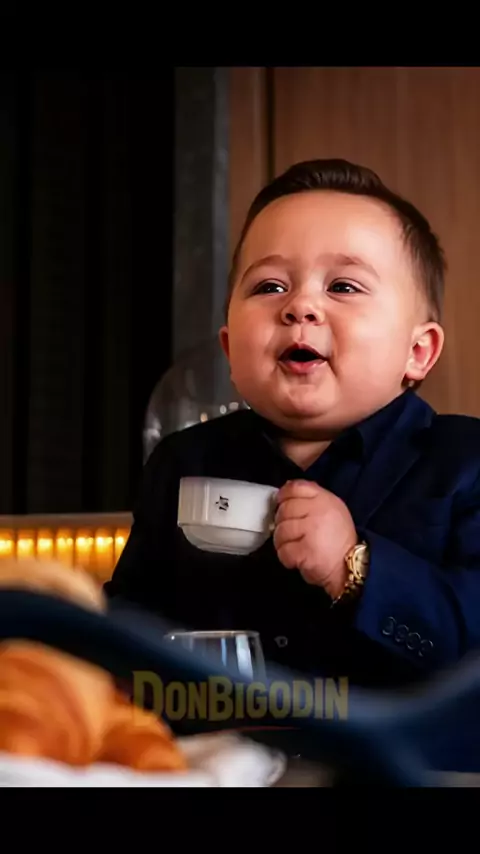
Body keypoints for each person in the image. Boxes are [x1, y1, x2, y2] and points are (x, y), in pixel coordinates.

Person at [104, 158, 480, 691]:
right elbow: (130, 629)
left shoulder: (465, 462)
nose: (301, 306)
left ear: (417, 351)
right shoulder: (183, 462)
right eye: (270, 287)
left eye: (343, 286)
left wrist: (355, 567)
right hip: (217, 740)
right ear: (231, 348)